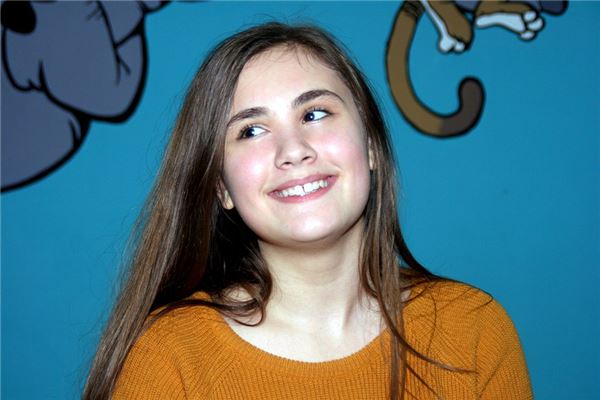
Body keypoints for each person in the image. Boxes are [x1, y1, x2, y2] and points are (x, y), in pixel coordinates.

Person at [83, 22, 532, 400]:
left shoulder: (472, 327)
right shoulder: (168, 357)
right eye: (251, 130)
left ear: (371, 146)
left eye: (315, 114)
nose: (293, 150)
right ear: (222, 188)